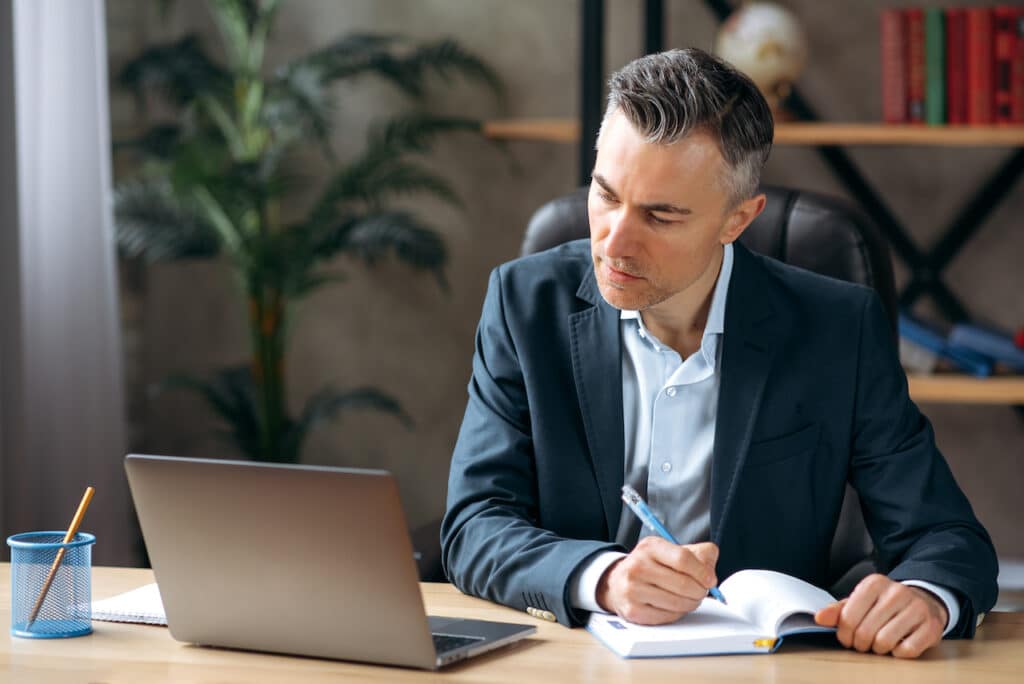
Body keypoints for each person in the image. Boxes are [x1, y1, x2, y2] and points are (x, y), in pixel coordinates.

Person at [441, 48, 997, 659]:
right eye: (604, 194)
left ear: (738, 219)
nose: (614, 241)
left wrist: (924, 595)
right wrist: (603, 577)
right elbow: (474, 524)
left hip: (776, 668)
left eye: (661, 215)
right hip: (574, 660)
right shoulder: (524, 304)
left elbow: (948, 537)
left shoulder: (839, 328)